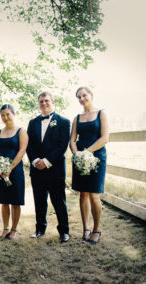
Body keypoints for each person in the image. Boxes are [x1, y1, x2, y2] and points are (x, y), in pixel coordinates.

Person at [26, 92, 71, 243]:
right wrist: (35, 160)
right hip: (36, 169)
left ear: (53, 101)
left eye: (46, 101)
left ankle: (64, 231)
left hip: (55, 169)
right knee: (39, 200)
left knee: (58, 200)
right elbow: (29, 145)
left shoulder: (64, 122)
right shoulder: (32, 123)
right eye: (41, 101)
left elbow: (62, 146)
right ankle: (40, 229)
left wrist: (46, 161)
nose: (44, 103)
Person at [69, 87, 109, 244]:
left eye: (84, 95)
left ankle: (96, 229)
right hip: (80, 159)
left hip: (97, 157)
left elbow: (105, 137)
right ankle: (85, 228)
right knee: (83, 194)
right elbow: (72, 140)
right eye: (79, 97)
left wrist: (88, 152)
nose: (82, 99)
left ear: (91, 95)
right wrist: (77, 154)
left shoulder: (101, 114)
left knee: (94, 194)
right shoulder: (77, 118)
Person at [0, 104, 28, 240]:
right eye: (2, 115)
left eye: (8, 114)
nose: (5, 117)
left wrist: (10, 167)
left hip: (15, 169)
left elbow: (22, 151)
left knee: (15, 201)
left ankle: (14, 229)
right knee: (4, 201)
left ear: (14, 114)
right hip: (0, 171)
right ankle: (5, 228)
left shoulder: (21, 131)